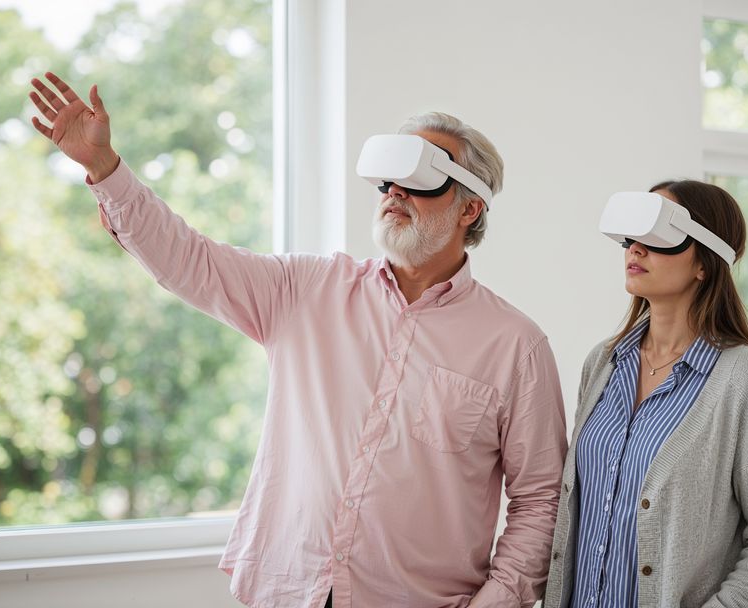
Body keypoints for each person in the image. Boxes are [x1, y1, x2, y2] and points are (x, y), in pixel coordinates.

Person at [28, 72, 568, 608]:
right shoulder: (304, 289)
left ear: (470, 208)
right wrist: (104, 169)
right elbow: (187, 259)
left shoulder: (515, 347)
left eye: (420, 180)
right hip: (288, 593)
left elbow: (540, 502)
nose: (395, 192)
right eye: (386, 180)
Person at [543, 181, 748, 608]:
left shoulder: (747, 381)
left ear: (704, 263)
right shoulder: (604, 363)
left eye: (658, 236)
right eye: (632, 236)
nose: (635, 249)